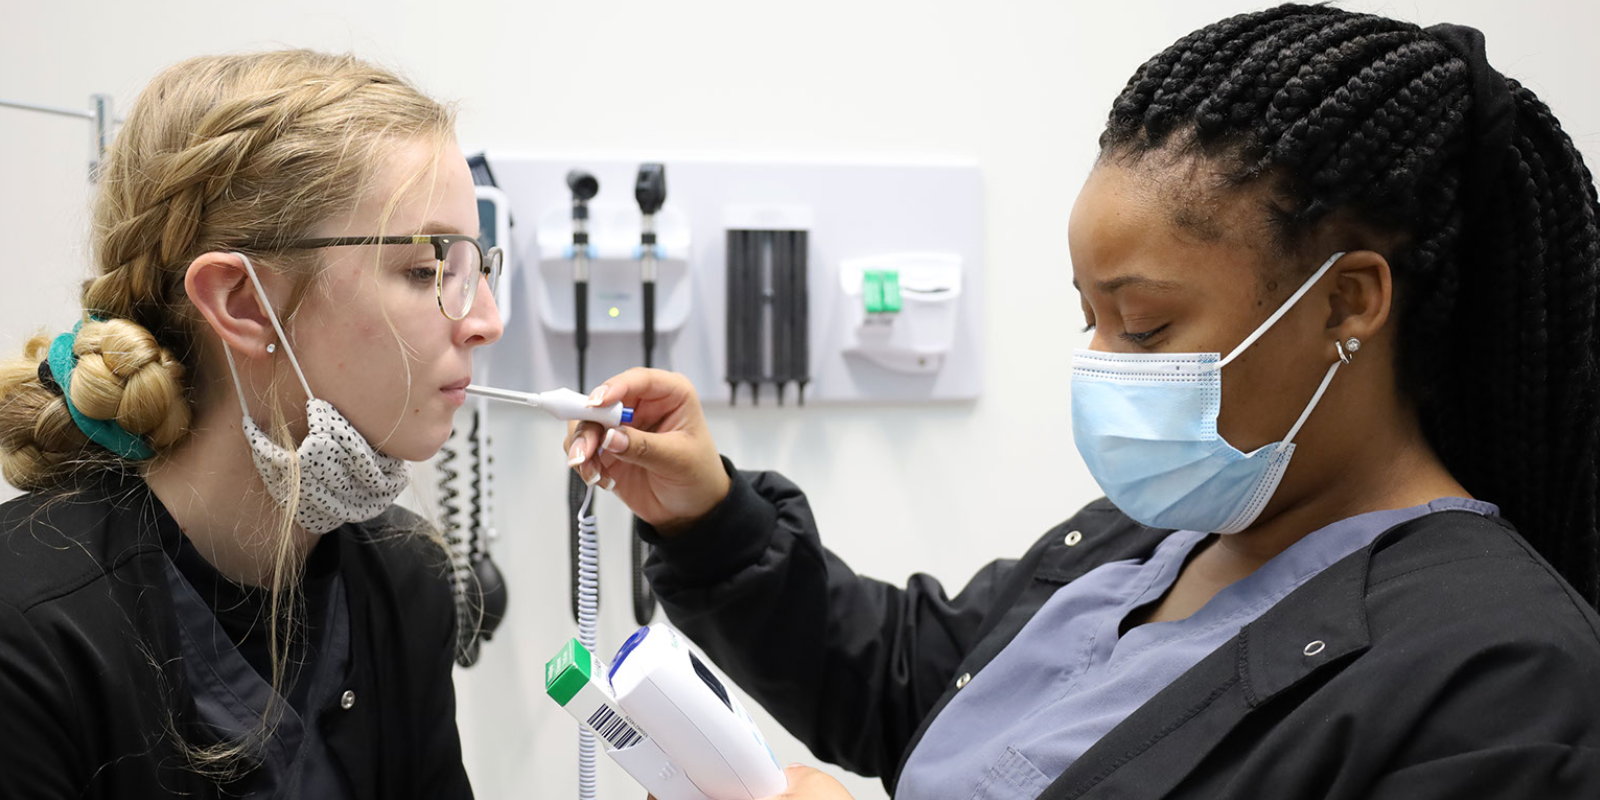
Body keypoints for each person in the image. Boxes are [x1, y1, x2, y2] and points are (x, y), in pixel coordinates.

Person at [566, 5, 1600, 798]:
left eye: (1144, 325)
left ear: (1347, 300)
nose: (1103, 362)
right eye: (1088, 318)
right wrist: (709, 518)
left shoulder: (1502, 674)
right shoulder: (1164, 534)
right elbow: (915, 684)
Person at [0, 50, 502, 798]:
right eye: (426, 271)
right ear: (239, 302)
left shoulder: (406, 578)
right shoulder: (27, 631)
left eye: (476, 267)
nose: (486, 322)